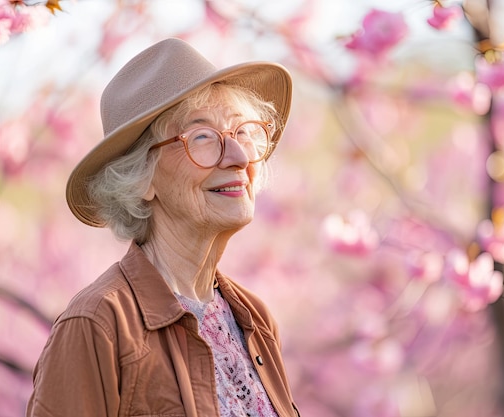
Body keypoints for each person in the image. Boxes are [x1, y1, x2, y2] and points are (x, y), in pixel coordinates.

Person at [27, 38, 300, 417]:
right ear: (140, 178)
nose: (239, 157)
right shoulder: (98, 325)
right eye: (202, 137)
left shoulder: (254, 318)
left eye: (242, 133)